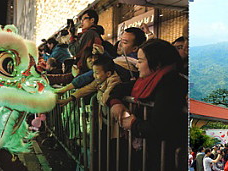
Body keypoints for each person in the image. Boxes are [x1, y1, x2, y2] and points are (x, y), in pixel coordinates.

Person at [108, 39, 187, 170]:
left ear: (157, 63)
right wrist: (115, 103)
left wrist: (133, 124)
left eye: (140, 61)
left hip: (165, 157)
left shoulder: (171, 83)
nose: (137, 66)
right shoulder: (147, 80)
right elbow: (119, 89)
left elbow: (161, 127)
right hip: (150, 152)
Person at [68, 9, 104, 74]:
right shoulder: (95, 33)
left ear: (92, 20)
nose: (82, 22)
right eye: (81, 20)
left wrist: (71, 37)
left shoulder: (89, 33)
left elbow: (75, 51)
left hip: (86, 70)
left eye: (84, 19)